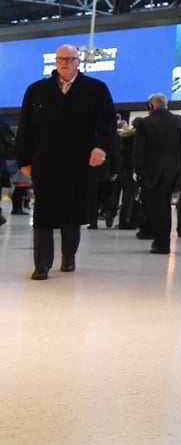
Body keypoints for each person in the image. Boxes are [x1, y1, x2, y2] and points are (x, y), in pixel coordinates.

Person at [16, 44, 116, 280]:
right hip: (45, 163)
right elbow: (25, 130)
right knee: (43, 215)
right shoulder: (37, 90)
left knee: (73, 213)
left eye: (70, 59)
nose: (65, 63)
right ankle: (42, 265)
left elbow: (107, 125)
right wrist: (24, 161)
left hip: (79, 164)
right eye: (61, 59)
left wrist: (101, 148)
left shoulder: (96, 89)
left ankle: (68, 257)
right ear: (55, 61)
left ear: (78, 61)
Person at [133, 94, 181, 254]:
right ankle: (163, 242)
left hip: (152, 173)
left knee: (154, 208)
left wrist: (139, 172)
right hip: (174, 172)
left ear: (151, 106)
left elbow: (139, 151)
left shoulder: (145, 123)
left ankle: (161, 242)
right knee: (165, 207)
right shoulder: (180, 121)